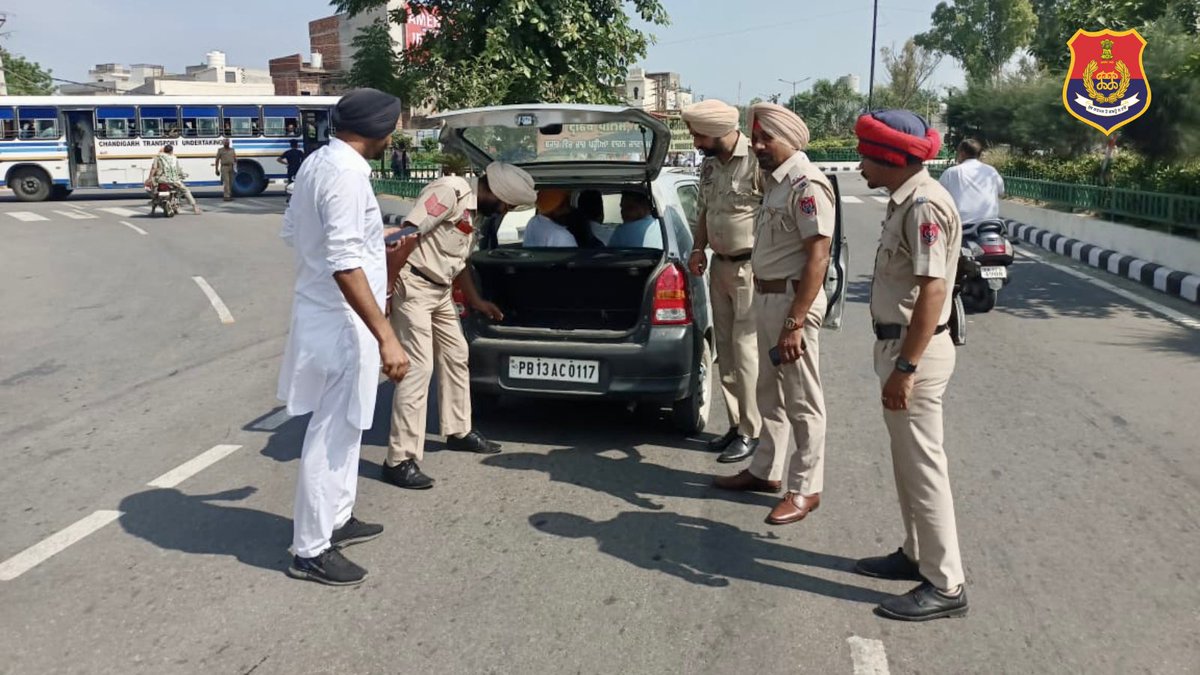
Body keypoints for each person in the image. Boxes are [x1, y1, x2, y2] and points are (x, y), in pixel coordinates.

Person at [277, 88, 413, 586]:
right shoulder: (347, 175)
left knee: (350, 425)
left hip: (332, 316)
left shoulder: (318, 163)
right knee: (330, 432)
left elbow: (297, 234)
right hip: (342, 322)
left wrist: (382, 247)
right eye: (394, 125)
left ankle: (338, 517)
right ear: (378, 130)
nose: (395, 133)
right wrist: (386, 336)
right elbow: (342, 262)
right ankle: (310, 549)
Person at [852, 109, 968, 621]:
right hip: (899, 349)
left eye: (865, 152)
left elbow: (932, 291)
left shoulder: (923, 205)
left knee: (923, 468)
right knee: (907, 462)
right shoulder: (907, 199)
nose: (859, 161)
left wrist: (906, 367)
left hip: (914, 354)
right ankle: (916, 553)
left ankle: (946, 584)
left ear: (892, 157)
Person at [712, 103, 834, 531]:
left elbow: (818, 255)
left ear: (791, 140)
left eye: (766, 139)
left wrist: (795, 321)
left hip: (790, 303)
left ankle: (806, 487)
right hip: (766, 297)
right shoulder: (777, 182)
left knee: (803, 400)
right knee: (771, 393)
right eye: (756, 138)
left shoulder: (806, 184)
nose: (758, 146)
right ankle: (765, 471)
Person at [383, 161, 537, 489]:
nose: (507, 210)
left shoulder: (474, 211)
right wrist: (386, 292)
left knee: (456, 354)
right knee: (418, 368)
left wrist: (477, 301)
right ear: (494, 192)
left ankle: (458, 429)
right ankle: (400, 459)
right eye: (507, 203)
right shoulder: (450, 192)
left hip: (439, 291)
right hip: (413, 287)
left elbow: (460, 261)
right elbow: (404, 237)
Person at [682, 99, 762, 463]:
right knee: (726, 353)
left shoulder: (758, 161)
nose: (696, 143)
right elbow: (704, 212)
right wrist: (698, 249)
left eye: (699, 136)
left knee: (746, 353)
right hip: (720, 268)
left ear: (717, 131)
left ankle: (752, 431)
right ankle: (736, 424)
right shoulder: (711, 167)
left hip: (750, 270)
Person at [937, 138, 1004, 225]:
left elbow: (938, 195)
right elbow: (1001, 191)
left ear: (962, 153)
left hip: (963, 226)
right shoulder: (991, 171)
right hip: (991, 224)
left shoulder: (952, 172)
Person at [148, 145, 200, 215]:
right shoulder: (174, 158)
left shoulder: (158, 157)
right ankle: (195, 207)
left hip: (161, 179)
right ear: (171, 151)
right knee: (185, 190)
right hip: (174, 181)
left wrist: (150, 178)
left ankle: (153, 210)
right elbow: (178, 169)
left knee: (155, 192)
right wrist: (182, 174)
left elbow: (154, 169)